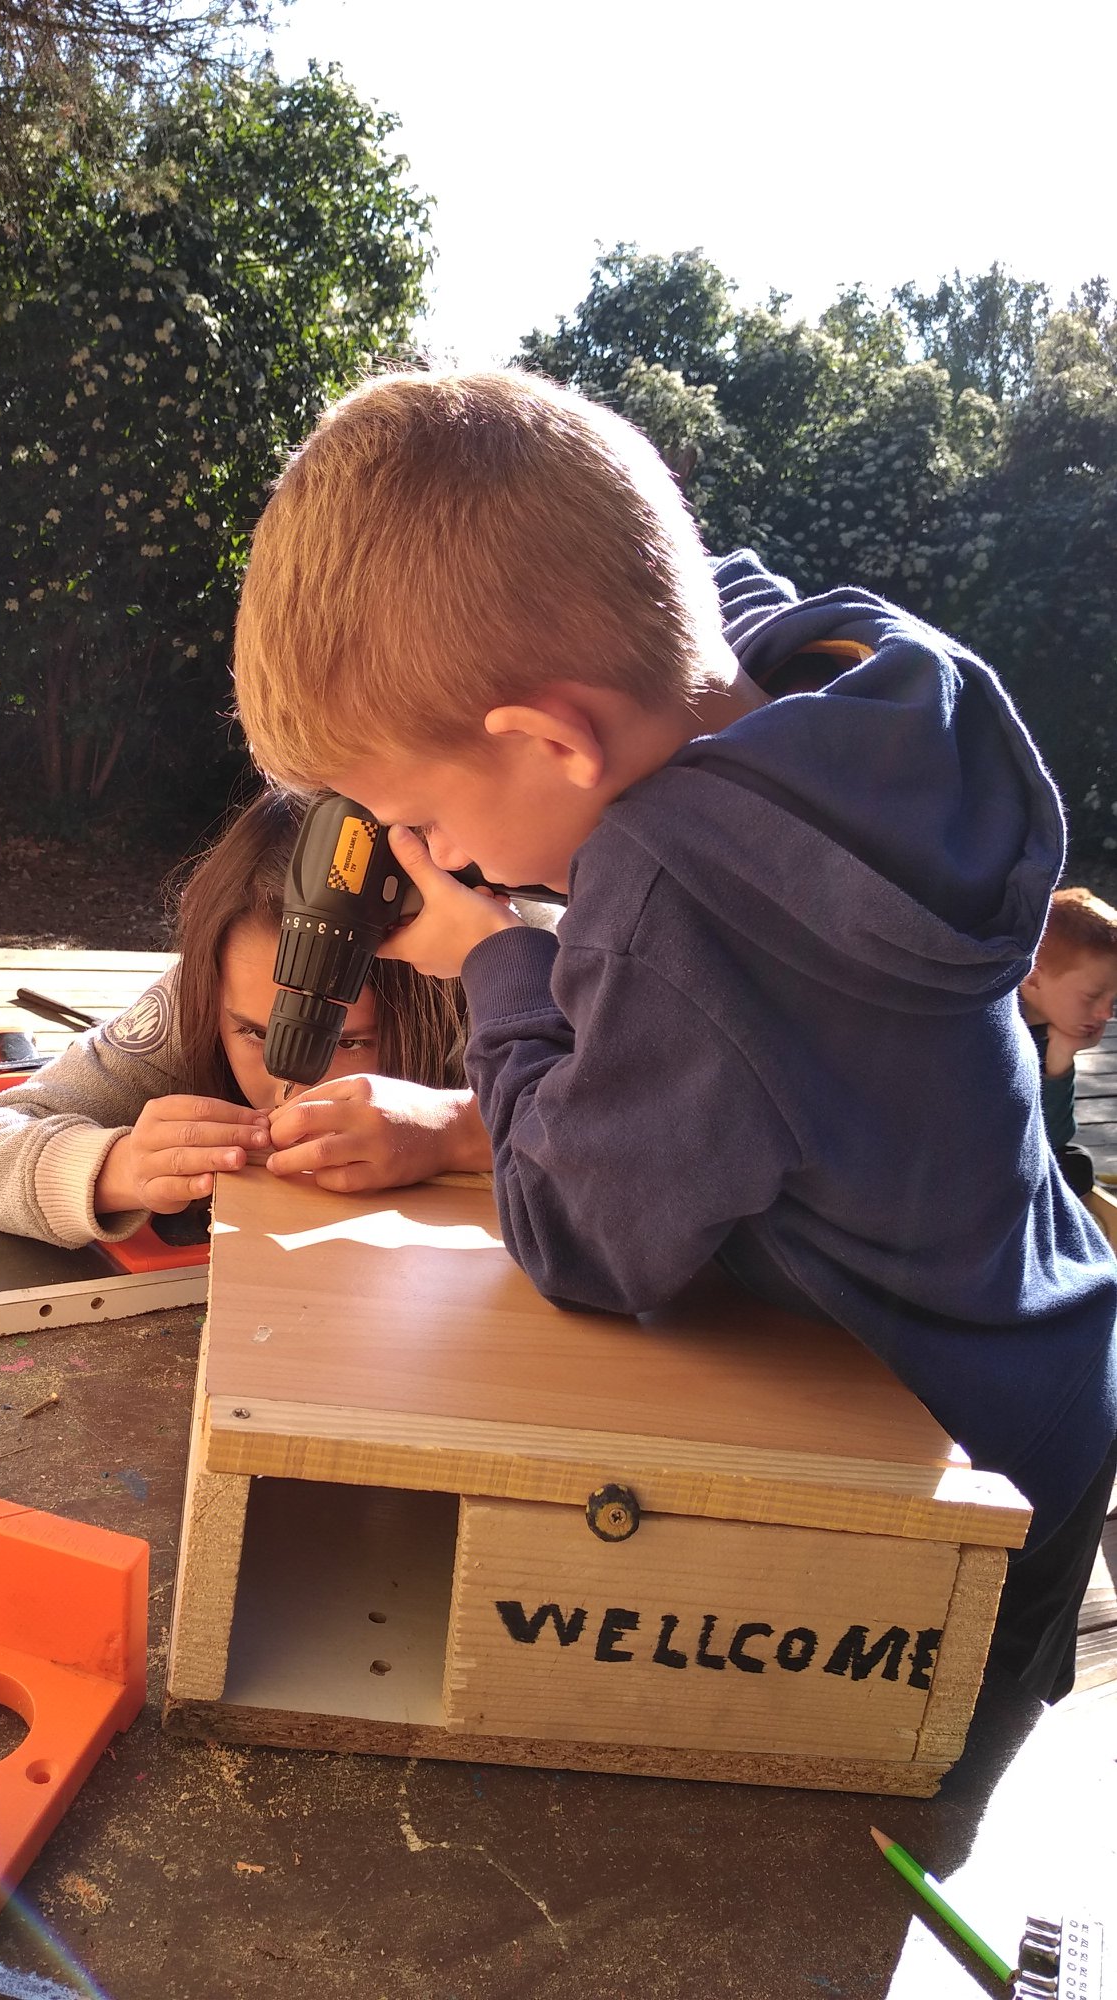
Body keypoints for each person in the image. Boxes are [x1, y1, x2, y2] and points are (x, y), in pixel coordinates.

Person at [231, 366, 1117, 1704]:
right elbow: (679, 590)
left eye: (421, 815)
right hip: (1048, 1355)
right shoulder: (848, 676)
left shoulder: (681, 903)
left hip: (943, 1469)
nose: (434, 852)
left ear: (551, 739)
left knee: (907, 1753)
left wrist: (497, 958)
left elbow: (575, 1236)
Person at [0, 788, 490, 1248]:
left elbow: (557, 1127)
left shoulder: (502, 972)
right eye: (254, 1033)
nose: (292, 1087)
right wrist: (122, 1167)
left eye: (348, 1042)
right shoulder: (193, 1006)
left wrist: (459, 1131)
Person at [1019, 886, 1117, 1197]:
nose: (1106, 1014)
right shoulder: (991, 1034)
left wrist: (1061, 1056)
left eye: (1113, 1000)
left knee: (1074, 1164)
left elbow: (1056, 1138)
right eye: (1092, 996)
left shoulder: (1049, 1030)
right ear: (1033, 978)